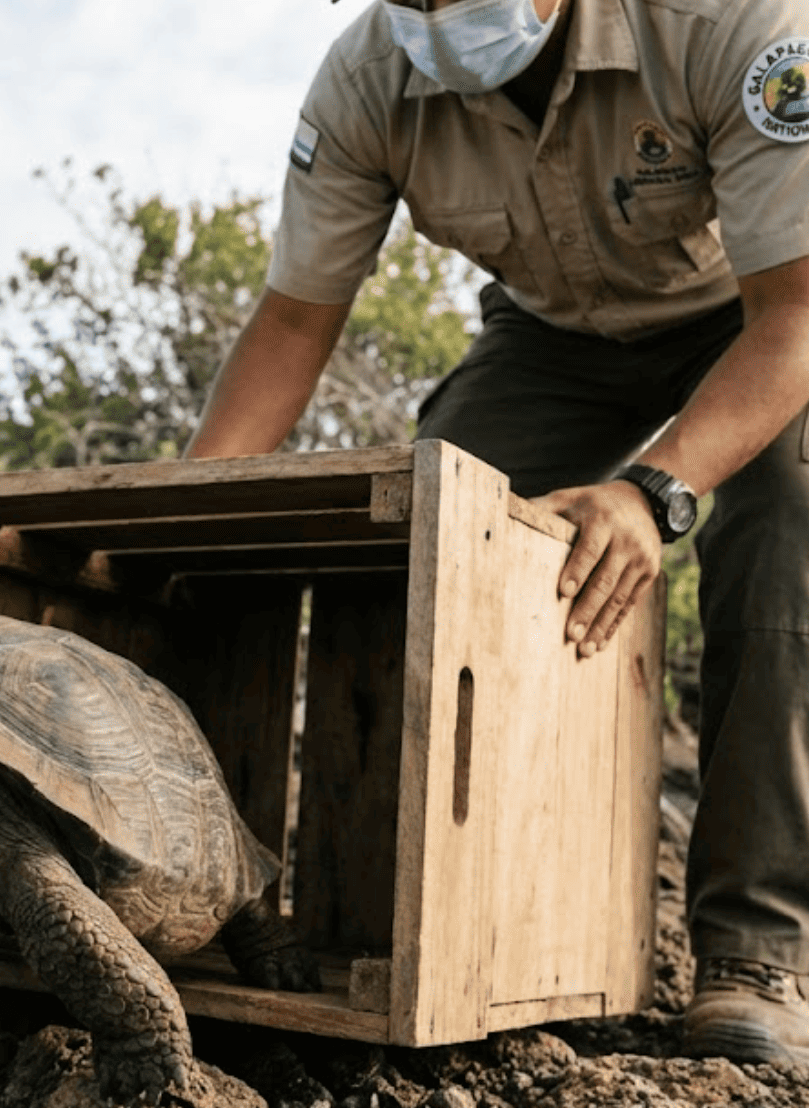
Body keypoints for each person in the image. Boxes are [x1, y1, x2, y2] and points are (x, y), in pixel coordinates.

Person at [185, 0, 809, 1065]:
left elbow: (797, 316)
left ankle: (755, 947)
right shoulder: (366, 84)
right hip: (553, 340)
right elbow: (293, 320)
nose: (436, 12)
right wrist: (182, 518)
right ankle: (435, 911)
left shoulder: (732, 23)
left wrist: (656, 491)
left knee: (787, 521)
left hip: (753, 314)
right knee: (431, 532)